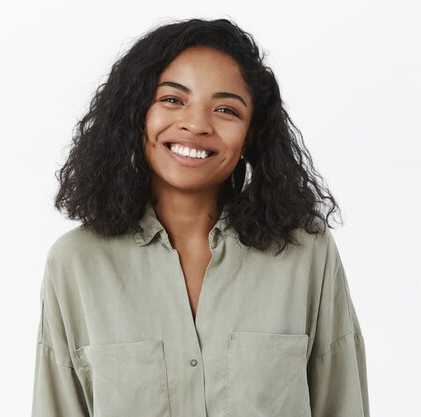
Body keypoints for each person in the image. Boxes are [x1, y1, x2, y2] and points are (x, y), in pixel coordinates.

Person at [31, 17, 369, 417]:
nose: (195, 124)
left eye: (226, 109)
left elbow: (342, 403)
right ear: (137, 115)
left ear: (251, 134)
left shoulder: (305, 252)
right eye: (173, 100)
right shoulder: (76, 263)